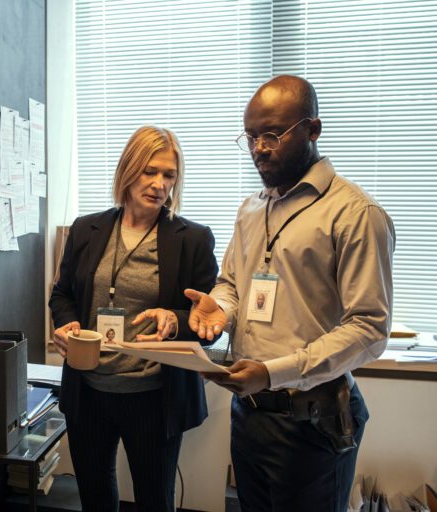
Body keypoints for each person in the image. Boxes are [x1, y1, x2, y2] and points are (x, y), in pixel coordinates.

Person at [185, 75, 395, 512]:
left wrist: (275, 371)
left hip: (314, 418)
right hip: (250, 413)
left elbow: (369, 328)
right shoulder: (250, 208)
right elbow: (232, 285)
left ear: (312, 130)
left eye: (272, 135)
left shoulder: (356, 213)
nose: (259, 148)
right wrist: (220, 310)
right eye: (250, 137)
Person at [49, 126, 218, 512]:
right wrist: (68, 323)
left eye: (169, 175)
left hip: (153, 397)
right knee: (95, 495)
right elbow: (62, 295)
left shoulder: (192, 239)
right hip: (88, 391)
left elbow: (210, 322)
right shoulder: (85, 230)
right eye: (150, 171)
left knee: (155, 500)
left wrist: (175, 319)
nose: (159, 184)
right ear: (128, 170)